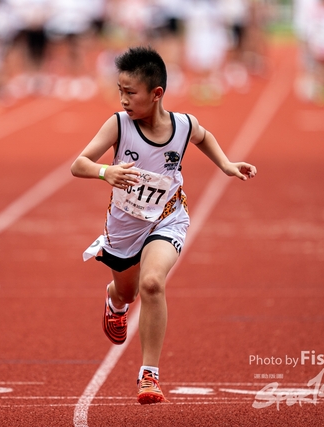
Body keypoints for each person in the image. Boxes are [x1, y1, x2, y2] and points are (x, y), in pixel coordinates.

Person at [70, 46, 256, 405]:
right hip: (124, 227)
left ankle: (149, 375)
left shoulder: (183, 126)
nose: (123, 100)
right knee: (128, 292)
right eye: (120, 91)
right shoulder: (119, 125)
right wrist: (106, 172)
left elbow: (204, 136)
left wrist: (226, 164)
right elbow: (79, 164)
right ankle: (115, 300)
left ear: (156, 94)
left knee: (152, 283)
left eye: (130, 92)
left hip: (168, 217)